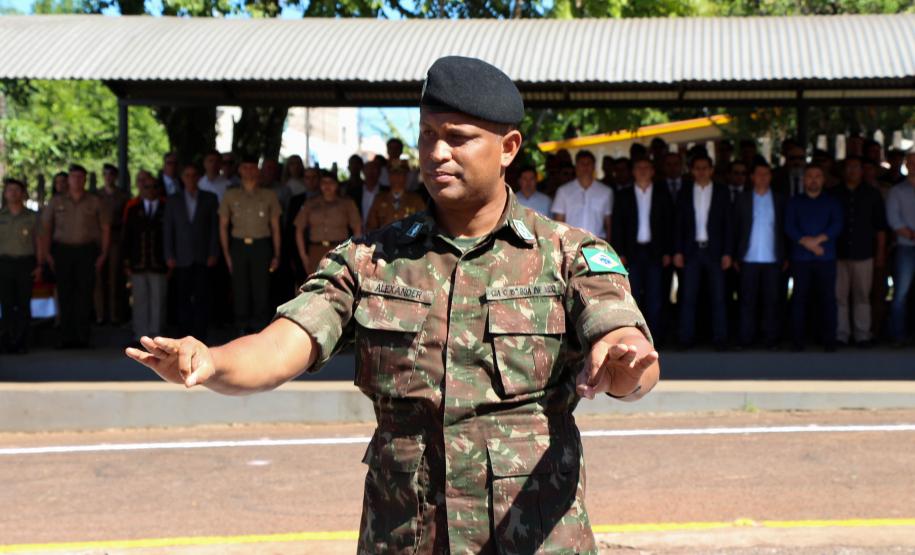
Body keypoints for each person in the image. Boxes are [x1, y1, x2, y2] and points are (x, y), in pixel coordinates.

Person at [126, 55, 660, 555]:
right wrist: (213, 363)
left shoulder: (569, 255)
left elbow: (628, 357)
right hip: (406, 534)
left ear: (509, 147)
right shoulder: (370, 259)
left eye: (457, 138)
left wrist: (624, 364)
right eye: (427, 135)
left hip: (532, 535)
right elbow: (284, 343)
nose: (436, 153)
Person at [40, 164, 111, 348]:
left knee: (84, 294)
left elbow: (105, 228)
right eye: (73, 177)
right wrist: (47, 252)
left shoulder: (95, 201)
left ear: (85, 179)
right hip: (62, 251)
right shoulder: (56, 201)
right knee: (65, 294)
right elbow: (46, 228)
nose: (77, 180)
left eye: (80, 177)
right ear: (68, 179)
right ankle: (66, 337)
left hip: (87, 251)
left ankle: (82, 337)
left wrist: (103, 253)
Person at [673, 153, 733, 350]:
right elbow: (678, 224)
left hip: (714, 251)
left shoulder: (722, 191)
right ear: (692, 171)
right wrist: (678, 251)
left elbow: (728, 224)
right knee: (688, 297)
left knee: (719, 297)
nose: (701, 172)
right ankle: (685, 339)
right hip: (691, 251)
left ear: (711, 170)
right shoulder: (685, 191)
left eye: (705, 168)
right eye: (697, 168)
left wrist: (727, 252)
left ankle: (720, 339)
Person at [611, 157, 674, 338]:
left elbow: (670, 225)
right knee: (633, 297)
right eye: (639, 167)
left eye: (647, 167)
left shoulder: (662, 194)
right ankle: (635, 336)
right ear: (633, 171)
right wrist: (619, 252)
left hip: (655, 252)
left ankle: (655, 337)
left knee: (655, 297)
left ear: (653, 171)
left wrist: (668, 251)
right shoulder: (624, 195)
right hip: (632, 253)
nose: (643, 170)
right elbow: (618, 226)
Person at [219, 156, 282, 335]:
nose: (249, 171)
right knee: (239, 287)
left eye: (252, 167)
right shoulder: (230, 195)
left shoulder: (269, 195)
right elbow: (223, 226)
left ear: (258, 170)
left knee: (261, 286)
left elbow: (275, 227)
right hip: (238, 245)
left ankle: (260, 326)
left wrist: (277, 254)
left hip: (261, 244)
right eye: (245, 167)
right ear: (239, 170)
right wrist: (227, 254)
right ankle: (241, 326)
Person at [785, 164, 843, 351]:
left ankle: (829, 340)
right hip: (801, 259)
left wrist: (818, 240)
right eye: (810, 176)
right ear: (804, 180)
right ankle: (797, 340)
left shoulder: (832, 202)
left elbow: (837, 225)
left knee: (827, 299)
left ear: (823, 180)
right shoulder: (794, 202)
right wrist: (806, 242)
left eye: (818, 176)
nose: (814, 179)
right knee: (799, 299)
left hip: (826, 258)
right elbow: (789, 226)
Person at [833, 155, 887, 347]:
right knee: (840, 297)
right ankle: (841, 334)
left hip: (864, 252)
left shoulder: (872, 194)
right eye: (848, 167)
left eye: (856, 167)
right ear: (843, 170)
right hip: (839, 253)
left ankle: (862, 334)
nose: (852, 171)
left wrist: (880, 253)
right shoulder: (834, 193)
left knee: (862, 296)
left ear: (862, 171)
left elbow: (880, 228)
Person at [164, 164, 220, 341]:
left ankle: (200, 335)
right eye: (187, 175)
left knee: (202, 297)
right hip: (181, 257)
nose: (190, 178)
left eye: (193, 175)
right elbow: (168, 229)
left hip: (203, 256)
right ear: (182, 177)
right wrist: (169, 254)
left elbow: (214, 229)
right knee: (182, 298)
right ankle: (183, 334)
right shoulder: (173, 199)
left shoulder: (210, 198)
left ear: (198, 177)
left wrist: (213, 252)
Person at [733, 162, 786, 349]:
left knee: (771, 301)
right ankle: (746, 338)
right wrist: (734, 255)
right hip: (748, 258)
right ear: (752, 177)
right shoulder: (743, 199)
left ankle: (770, 339)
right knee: (747, 301)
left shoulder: (780, 200)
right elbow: (735, 229)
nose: (762, 177)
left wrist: (785, 255)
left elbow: (783, 231)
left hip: (772, 259)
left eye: (766, 174)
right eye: (759, 174)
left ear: (771, 177)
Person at [123, 170, 168, 345]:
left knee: (158, 300)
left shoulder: (166, 207)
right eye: (147, 186)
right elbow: (127, 237)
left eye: (154, 187)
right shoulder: (133, 209)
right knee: (140, 300)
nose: (150, 190)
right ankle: (140, 336)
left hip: (159, 263)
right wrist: (126, 261)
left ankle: (157, 337)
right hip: (138, 262)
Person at [294, 171, 361, 274]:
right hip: (315, 250)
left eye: (331, 182)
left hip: (340, 249)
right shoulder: (310, 203)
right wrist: (303, 256)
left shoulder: (347, 203)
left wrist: (354, 253)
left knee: (339, 285)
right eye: (324, 182)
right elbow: (299, 229)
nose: (327, 185)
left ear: (337, 185)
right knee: (317, 286)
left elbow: (357, 229)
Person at [0, 179, 40, 354]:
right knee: (6, 304)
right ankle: (6, 341)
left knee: (24, 304)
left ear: (23, 193)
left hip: (25, 263)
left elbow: (39, 242)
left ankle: (23, 342)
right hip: (4, 263)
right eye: (10, 190)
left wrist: (40, 265)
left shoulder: (32, 217)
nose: (13, 193)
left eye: (17, 190)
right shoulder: (1, 216)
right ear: (5, 193)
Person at [93, 163, 130, 326]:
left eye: (111, 174)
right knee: (99, 278)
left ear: (115, 177)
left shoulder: (122, 196)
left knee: (115, 277)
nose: (108, 177)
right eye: (105, 174)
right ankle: (100, 314)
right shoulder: (96, 195)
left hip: (116, 238)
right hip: (99, 237)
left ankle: (115, 314)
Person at [886, 151, 915, 346]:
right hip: (906, 247)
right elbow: (893, 219)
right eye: (911, 162)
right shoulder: (897, 191)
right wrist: (912, 235)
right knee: (901, 294)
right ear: (906, 165)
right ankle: (898, 335)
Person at [551, 150, 613, 240]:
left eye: (588, 163)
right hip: (571, 243)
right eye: (582, 163)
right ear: (576, 167)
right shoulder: (563, 191)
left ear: (594, 166)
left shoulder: (606, 192)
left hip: (597, 243)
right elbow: (558, 222)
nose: (585, 167)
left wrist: (608, 248)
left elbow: (609, 223)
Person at [365, 160, 426, 232]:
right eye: (393, 174)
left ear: (406, 176)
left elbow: (423, 223)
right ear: (389, 176)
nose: (397, 177)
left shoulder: (416, 200)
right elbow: (371, 226)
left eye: (400, 174)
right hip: (383, 242)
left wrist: (409, 238)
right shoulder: (379, 199)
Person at [348, 158, 386, 224]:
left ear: (379, 173)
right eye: (368, 169)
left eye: (374, 170)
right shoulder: (353, 192)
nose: (371, 173)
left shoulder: (386, 191)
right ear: (363, 171)